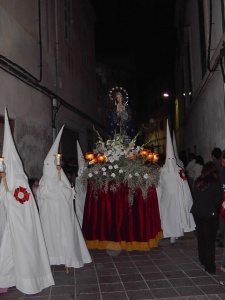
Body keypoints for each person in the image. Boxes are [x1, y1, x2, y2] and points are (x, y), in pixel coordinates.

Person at [157, 120, 196, 245]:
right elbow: (159, 185)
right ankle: (167, 233)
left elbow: (184, 185)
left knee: (176, 216)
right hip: (166, 199)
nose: (170, 160)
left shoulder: (180, 171)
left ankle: (175, 234)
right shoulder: (162, 171)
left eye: (172, 158)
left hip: (177, 198)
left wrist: (185, 197)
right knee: (167, 216)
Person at [191, 161, 222, 274]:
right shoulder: (215, 182)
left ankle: (203, 259)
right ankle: (210, 266)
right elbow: (218, 199)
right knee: (210, 240)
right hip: (209, 214)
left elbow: (195, 196)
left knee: (202, 237)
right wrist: (215, 210)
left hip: (197, 212)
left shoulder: (198, 181)